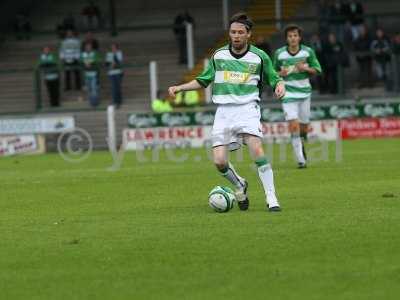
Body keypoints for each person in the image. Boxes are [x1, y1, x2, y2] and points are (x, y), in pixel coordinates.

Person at [168, 12, 285, 212]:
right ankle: (240, 185)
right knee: (219, 161)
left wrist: (280, 85)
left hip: (248, 109)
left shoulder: (259, 56)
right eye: (233, 32)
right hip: (223, 112)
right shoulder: (219, 55)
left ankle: (271, 197)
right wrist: (180, 87)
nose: (236, 35)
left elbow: (274, 77)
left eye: (240, 32)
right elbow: (203, 80)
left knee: (256, 150)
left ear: (248, 34)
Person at [273, 24, 322, 168]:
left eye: (295, 35)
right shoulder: (279, 54)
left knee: (304, 127)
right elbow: (272, 72)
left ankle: (302, 139)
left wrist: (305, 68)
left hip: (305, 93)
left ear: (299, 37)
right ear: (286, 39)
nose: (293, 38)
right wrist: (279, 74)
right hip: (288, 94)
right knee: (294, 126)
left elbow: (318, 70)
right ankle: (301, 160)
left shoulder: (308, 52)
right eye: (290, 36)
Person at [81, 42, 101, 107]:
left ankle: (95, 103)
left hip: (94, 74)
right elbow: (81, 62)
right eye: (87, 47)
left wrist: (90, 63)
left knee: (94, 89)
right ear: (85, 48)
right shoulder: (83, 54)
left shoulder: (94, 53)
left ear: (91, 48)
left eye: (89, 47)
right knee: (89, 89)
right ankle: (91, 102)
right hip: (86, 75)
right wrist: (85, 64)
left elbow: (97, 61)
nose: (88, 48)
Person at [105, 43, 123, 107]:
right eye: (112, 47)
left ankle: (119, 101)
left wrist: (114, 63)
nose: (113, 48)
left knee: (118, 87)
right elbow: (106, 63)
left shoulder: (119, 53)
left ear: (116, 48)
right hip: (111, 73)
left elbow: (119, 62)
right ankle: (114, 101)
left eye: (114, 47)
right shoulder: (109, 54)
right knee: (113, 88)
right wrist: (111, 65)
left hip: (118, 72)